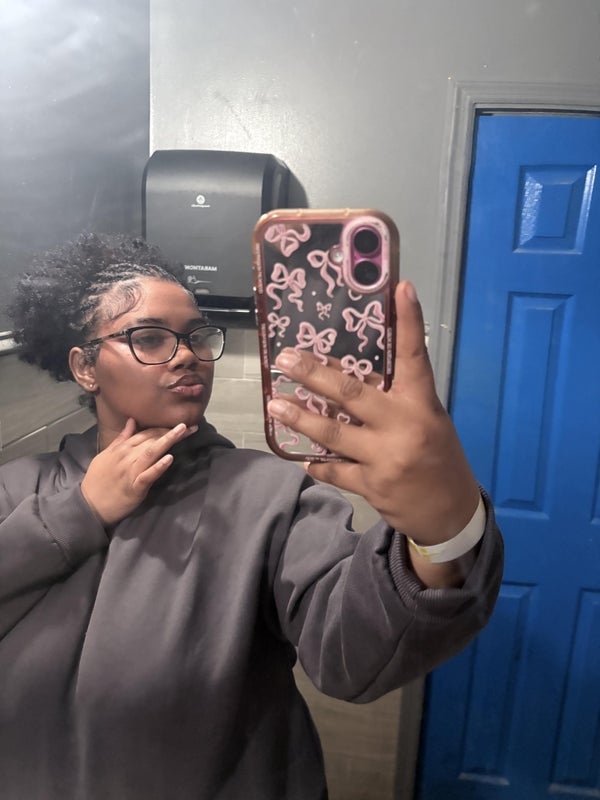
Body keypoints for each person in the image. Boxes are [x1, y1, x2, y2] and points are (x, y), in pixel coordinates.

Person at [0, 233, 503, 800]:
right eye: (150, 337)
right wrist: (81, 513)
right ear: (85, 367)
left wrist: (442, 532)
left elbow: (353, 657)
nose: (188, 355)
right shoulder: (16, 488)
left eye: (197, 336)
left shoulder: (271, 496)